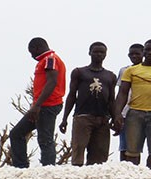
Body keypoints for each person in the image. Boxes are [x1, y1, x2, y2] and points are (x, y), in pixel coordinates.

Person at [112, 39, 151, 169]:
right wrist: (117, 114)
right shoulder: (131, 71)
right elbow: (122, 93)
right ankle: (135, 175)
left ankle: (148, 173)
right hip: (134, 113)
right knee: (132, 150)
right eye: (148, 50)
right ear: (144, 51)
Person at [10, 37, 66, 168]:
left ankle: (48, 169)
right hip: (42, 105)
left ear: (36, 48)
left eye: (31, 52)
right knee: (17, 133)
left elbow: (51, 82)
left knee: (45, 139)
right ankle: (21, 167)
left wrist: (37, 105)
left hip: (47, 105)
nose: (32, 56)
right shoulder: (48, 59)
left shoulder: (49, 59)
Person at [58, 42, 117, 166]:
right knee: (78, 150)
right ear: (89, 53)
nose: (99, 54)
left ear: (106, 54)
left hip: (103, 118)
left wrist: (116, 118)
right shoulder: (79, 72)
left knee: (99, 157)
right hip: (83, 117)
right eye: (96, 51)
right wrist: (65, 118)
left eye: (102, 52)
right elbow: (72, 95)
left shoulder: (110, 76)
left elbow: (112, 100)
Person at [116, 44, 143, 157]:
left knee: (137, 146)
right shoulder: (125, 70)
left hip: (144, 111)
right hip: (126, 112)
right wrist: (117, 113)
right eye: (132, 54)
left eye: (137, 53)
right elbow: (120, 93)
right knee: (125, 146)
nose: (134, 56)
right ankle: (124, 170)